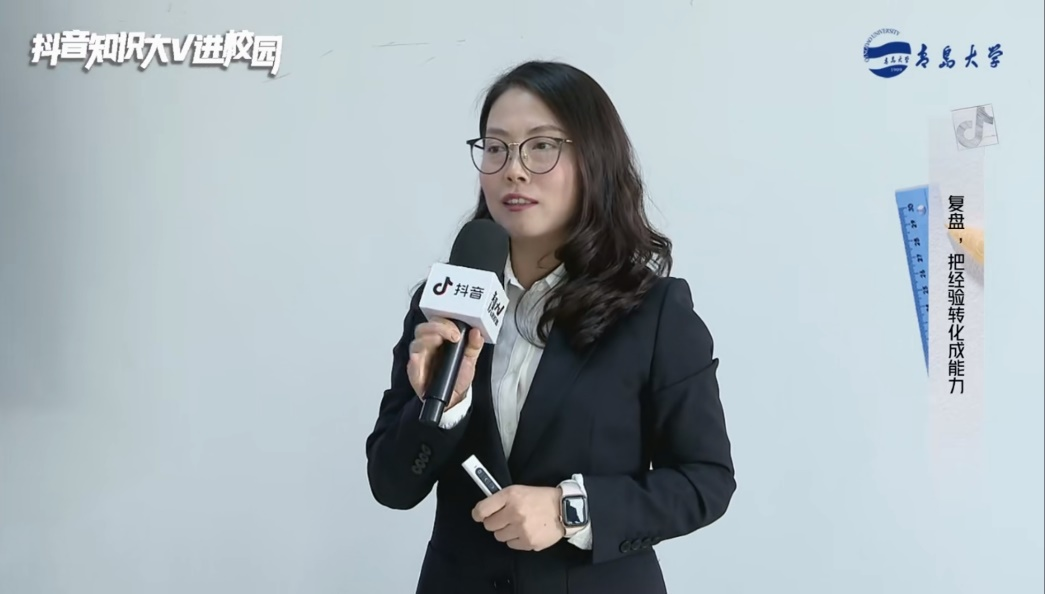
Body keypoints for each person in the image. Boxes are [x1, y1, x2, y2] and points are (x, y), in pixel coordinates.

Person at [365, 60, 736, 594]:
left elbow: (706, 480)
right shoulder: (444, 302)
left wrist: (571, 510)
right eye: (496, 148)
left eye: (541, 146)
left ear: (594, 160)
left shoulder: (654, 311)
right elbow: (392, 485)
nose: (514, 170)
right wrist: (440, 410)